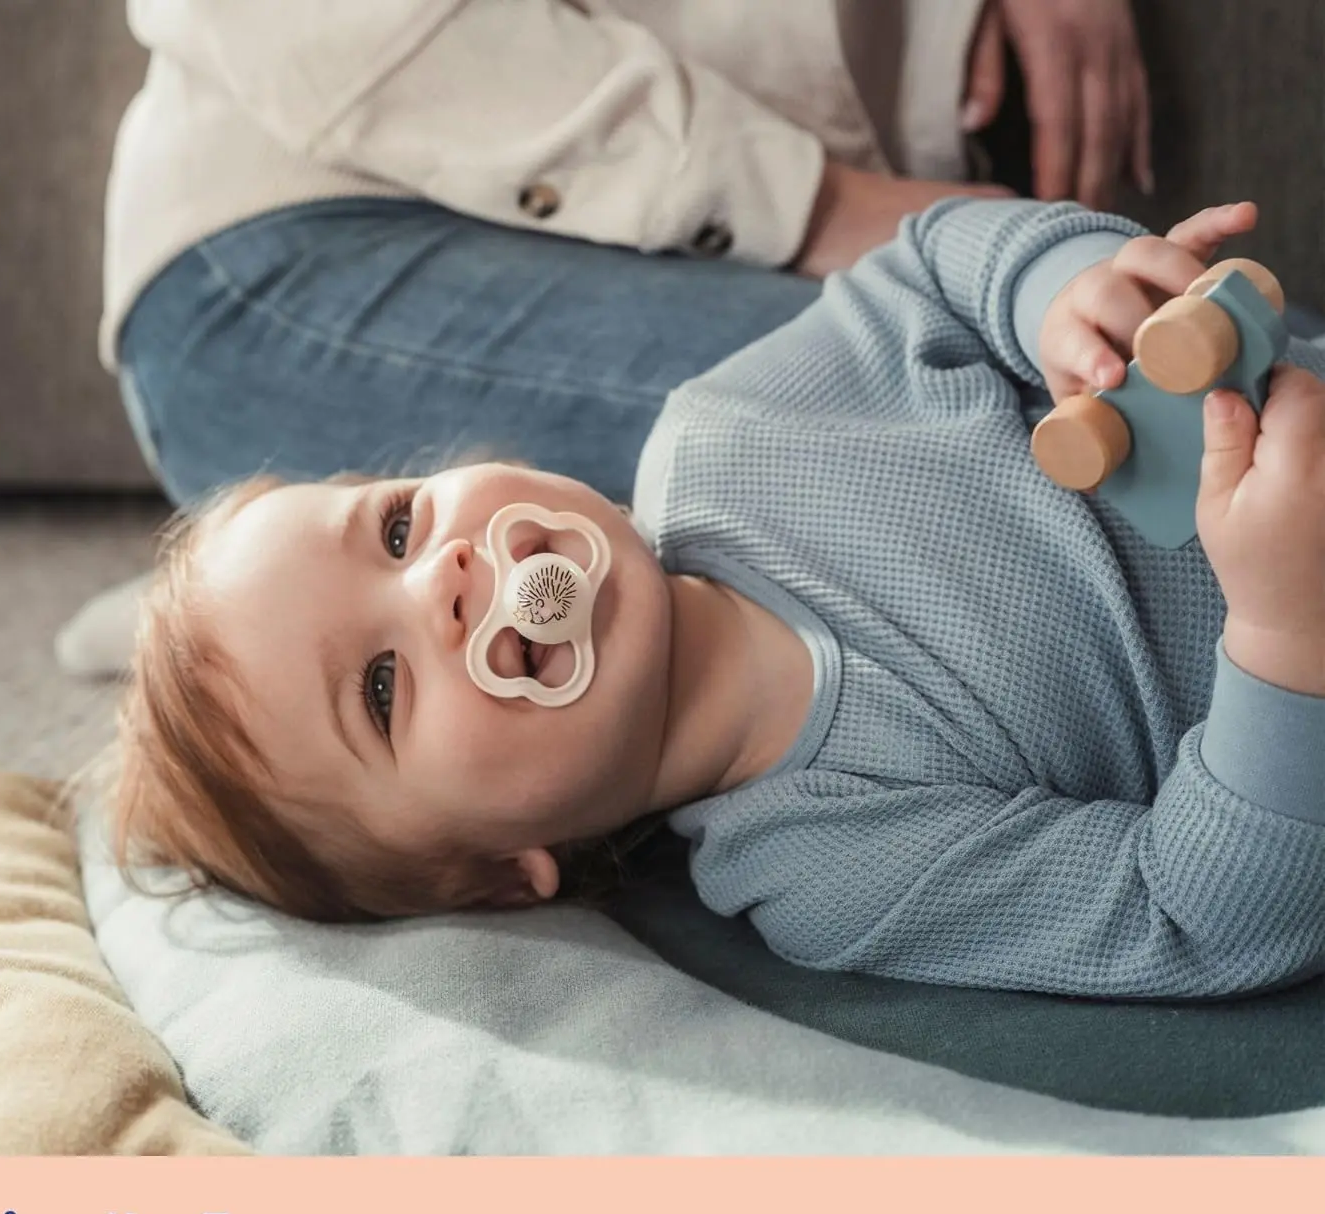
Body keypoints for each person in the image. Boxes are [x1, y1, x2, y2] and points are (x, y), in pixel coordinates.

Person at [102, 194, 1325, 1000]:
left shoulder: (725, 430)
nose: (448, 576)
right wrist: (1287, 632)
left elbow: (925, 265)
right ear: (501, 877)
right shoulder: (821, 869)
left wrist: (1061, 293)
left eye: (398, 527)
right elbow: (1196, 917)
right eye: (379, 690)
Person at [100, 0, 1150, 510]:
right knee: (1005, 423)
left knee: (1108, 403)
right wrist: (813, 205)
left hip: (695, 212)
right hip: (299, 239)